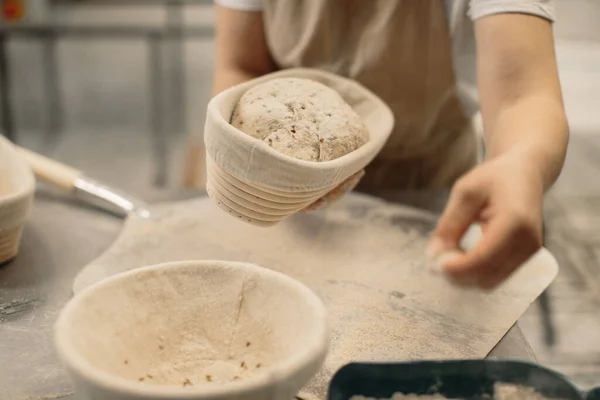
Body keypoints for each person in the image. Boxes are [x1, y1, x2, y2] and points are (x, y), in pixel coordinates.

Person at [183, 0, 569, 290]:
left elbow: (524, 94)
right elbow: (242, 65)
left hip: (428, 192)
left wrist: (523, 162)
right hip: (284, 194)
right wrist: (254, 162)